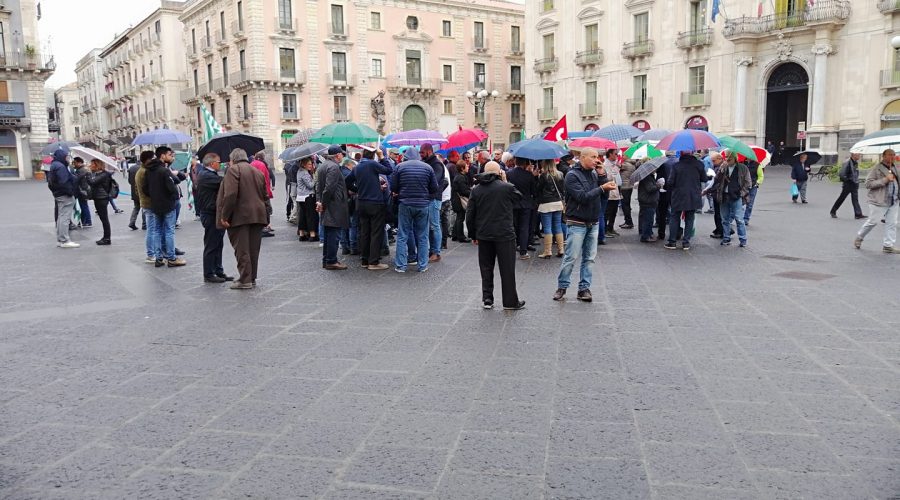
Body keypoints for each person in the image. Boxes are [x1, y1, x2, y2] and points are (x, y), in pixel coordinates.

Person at [554, 147, 616, 302]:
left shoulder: (595, 174)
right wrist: (602, 187)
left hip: (593, 221)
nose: (597, 160)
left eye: (598, 157)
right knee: (571, 257)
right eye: (593, 157)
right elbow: (582, 197)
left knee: (589, 258)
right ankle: (562, 287)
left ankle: (584, 289)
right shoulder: (572, 175)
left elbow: (603, 197)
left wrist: (602, 178)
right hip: (577, 222)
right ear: (582, 158)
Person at [467, 161, 525, 310]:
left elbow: (470, 215)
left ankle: (487, 298)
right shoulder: (506, 187)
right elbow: (519, 198)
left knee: (486, 267)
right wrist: (505, 180)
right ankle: (510, 301)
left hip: (484, 234)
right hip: (504, 233)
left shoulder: (476, 189)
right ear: (499, 172)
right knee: (507, 268)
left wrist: (473, 234)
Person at [217, 148, 269, 288]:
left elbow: (230, 195)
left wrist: (224, 216)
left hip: (240, 216)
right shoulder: (257, 172)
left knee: (242, 249)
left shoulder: (233, 170)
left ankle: (245, 279)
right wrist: (267, 215)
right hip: (258, 215)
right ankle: (251, 277)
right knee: (253, 249)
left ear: (232, 159)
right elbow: (265, 196)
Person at [392, 147, 439, 273]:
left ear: (406, 156)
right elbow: (434, 188)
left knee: (402, 235)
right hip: (423, 205)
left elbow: (394, 187)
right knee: (423, 236)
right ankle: (423, 265)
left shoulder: (399, 167)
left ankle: (401, 266)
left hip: (405, 204)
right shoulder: (427, 167)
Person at [350, 147, 393, 270]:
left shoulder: (357, 166)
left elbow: (347, 181)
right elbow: (390, 170)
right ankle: (373, 262)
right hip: (375, 203)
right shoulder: (372, 164)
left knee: (364, 232)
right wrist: (382, 157)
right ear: (373, 155)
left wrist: (358, 190)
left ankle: (364, 259)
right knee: (376, 232)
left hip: (361, 203)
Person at [143, 146, 186, 268]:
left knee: (157, 231)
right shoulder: (164, 171)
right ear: (162, 156)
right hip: (167, 204)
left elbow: (145, 188)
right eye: (169, 154)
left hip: (155, 204)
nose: (170, 157)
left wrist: (155, 196)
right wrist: (173, 197)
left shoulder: (149, 170)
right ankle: (171, 258)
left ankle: (159, 258)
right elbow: (172, 188)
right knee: (169, 231)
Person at [196, 153, 234, 283]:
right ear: (212, 163)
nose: (221, 164)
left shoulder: (209, 174)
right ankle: (208, 273)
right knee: (211, 245)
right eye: (219, 162)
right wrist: (231, 167)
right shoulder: (206, 176)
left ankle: (218, 270)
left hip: (214, 213)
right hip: (210, 214)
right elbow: (224, 182)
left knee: (218, 244)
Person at [854, 149, 900, 254]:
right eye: (889, 155)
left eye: (893, 155)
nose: (892, 157)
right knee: (873, 222)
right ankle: (860, 237)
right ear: (883, 156)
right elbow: (868, 184)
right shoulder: (876, 168)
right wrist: (885, 180)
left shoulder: (896, 167)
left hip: (893, 200)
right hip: (879, 201)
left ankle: (888, 245)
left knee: (891, 223)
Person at [664, 151, 707, 251]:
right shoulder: (699, 164)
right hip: (693, 195)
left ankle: (672, 242)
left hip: (678, 195)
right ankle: (686, 243)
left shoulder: (676, 166)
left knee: (674, 217)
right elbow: (704, 179)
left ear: (681, 154)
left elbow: (670, 182)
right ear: (692, 153)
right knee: (689, 218)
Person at [316, 146, 350, 270]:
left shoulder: (323, 166)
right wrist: (322, 203)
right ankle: (331, 261)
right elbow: (329, 188)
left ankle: (327, 260)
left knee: (329, 233)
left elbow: (319, 186)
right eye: (342, 154)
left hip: (328, 204)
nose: (343, 156)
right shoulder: (334, 167)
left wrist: (319, 202)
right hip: (334, 205)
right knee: (334, 234)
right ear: (337, 155)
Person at [715, 152, 752, 248]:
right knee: (725, 219)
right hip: (724, 196)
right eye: (726, 157)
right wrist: (721, 170)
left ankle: (743, 239)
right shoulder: (723, 167)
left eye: (730, 157)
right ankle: (726, 238)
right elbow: (716, 180)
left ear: (735, 158)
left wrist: (741, 193)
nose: (727, 159)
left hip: (736, 196)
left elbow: (748, 183)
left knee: (739, 219)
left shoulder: (743, 168)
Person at [420, 143, 448, 262]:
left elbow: (434, 181)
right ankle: (433, 251)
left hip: (434, 198)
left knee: (434, 225)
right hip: (429, 198)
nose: (420, 155)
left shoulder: (436, 164)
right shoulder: (428, 163)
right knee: (431, 226)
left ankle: (436, 252)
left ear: (429, 151)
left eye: (422, 152)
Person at [506, 157, 537, 260]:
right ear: (525, 163)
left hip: (513, 203)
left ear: (515, 162)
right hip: (526, 204)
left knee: (514, 226)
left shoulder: (509, 173)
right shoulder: (529, 175)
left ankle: (514, 246)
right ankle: (523, 251)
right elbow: (534, 191)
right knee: (524, 227)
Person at [48, 149, 80, 248]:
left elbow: (52, 182)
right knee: (65, 217)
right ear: (62, 156)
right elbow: (64, 181)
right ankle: (64, 240)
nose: (67, 158)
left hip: (58, 193)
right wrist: (70, 192)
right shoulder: (61, 167)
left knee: (61, 217)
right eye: (66, 157)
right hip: (64, 194)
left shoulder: (55, 165)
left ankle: (61, 239)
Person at [535, 159, 566, 258]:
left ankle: (548, 251)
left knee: (547, 227)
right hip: (557, 203)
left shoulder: (543, 176)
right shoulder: (560, 174)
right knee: (558, 225)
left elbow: (538, 190)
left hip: (546, 203)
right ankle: (561, 249)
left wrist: (536, 177)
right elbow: (562, 190)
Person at [86, 159, 114, 245]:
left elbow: (92, 182)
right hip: (98, 197)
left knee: (104, 218)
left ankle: (107, 238)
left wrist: (88, 173)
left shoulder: (104, 174)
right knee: (103, 218)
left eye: (92, 164)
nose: (90, 165)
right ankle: (105, 237)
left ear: (97, 165)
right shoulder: (100, 174)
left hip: (102, 198)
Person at [831, 152, 864, 219]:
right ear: (853, 155)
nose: (859, 156)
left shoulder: (855, 162)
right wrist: (847, 180)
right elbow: (842, 174)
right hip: (848, 184)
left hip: (854, 183)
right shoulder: (847, 162)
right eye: (858, 154)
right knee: (842, 198)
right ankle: (833, 211)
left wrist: (855, 181)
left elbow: (855, 173)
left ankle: (858, 214)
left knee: (855, 199)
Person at [250, 152, 275, 237]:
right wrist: (267, 192)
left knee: (258, 210)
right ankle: (264, 228)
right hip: (262, 191)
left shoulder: (251, 164)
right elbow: (264, 178)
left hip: (253, 191)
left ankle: (260, 227)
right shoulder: (262, 165)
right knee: (265, 209)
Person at [295, 157, 318, 242]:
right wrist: (315, 178)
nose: (311, 165)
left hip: (300, 196)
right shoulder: (304, 173)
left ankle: (302, 234)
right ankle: (312, 234)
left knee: (302, 215)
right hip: (307, 196)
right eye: (309, 164)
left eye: (311, 164)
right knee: (310, 215)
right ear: (304, 164)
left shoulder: (299, 171)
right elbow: (311, 185)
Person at [704, 152, 726, 239]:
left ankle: (721, 231)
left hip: (719, 193)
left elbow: (717, 182)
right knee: (718, 213)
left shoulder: (722, 167)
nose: (712, 162)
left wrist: (708, 190)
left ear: (720, 159)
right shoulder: (718, 166)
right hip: (716, 193)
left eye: (714, 160)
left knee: (719, 214)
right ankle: (720, 229)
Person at [637, 166, 660, 243]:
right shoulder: (647, 177)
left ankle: (648, 234)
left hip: (647, 200)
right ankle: (645, 236)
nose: (656, 169)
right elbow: (650, 188)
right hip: (648, 201)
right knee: (648, 219)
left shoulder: (648, 176)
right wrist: (658, 185)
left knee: (648, 219)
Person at [602, 149, 622, 237]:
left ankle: (611, 227)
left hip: (616, 190)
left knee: (614, 212)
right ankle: (605, 230)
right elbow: (607, 177)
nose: (617, 155)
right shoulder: (605, 165)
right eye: (615, 154)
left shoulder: (615, 164)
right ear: (610, 154)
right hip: (609, 192)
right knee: (607, 212)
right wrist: (615, 170)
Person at [450, 160, 471, 243]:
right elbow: (464, 191)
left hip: (456, 200)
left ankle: (455, 235)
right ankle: (461, 236)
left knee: (459, 217)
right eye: (466, 166)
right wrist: (472, 193)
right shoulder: (460, 178)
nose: (468, 167)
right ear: (462, 168)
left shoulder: (459, 176)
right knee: (460, 218)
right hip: (458, 201)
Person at [72, 157, 93, 228]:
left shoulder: (81, 170)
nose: (73, 164)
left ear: (79, 162)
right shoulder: (83, 169)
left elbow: (76, 179)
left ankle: (87, 221)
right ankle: (85, 221)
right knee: (83, 206)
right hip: (84, 190)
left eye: (74, 162)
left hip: (82, 191)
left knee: (83, 206)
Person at [127, 158, 145, 231]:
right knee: (144, 208)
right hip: (142, 191)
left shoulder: (131, 168)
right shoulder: (143, 169)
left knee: (136, 207)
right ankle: (144, 224)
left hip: (134, 192)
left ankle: (132, 222)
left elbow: (129, 181)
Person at [618, 158, 636, 229]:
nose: (622, 156)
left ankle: (628, 222)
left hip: (624, 187)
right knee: (627, 204)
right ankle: (628, 221)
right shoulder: (632, 164)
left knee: (625, 205)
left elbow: (616, 167)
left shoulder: (625, 165)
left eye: (623, 155)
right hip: (629, 186)